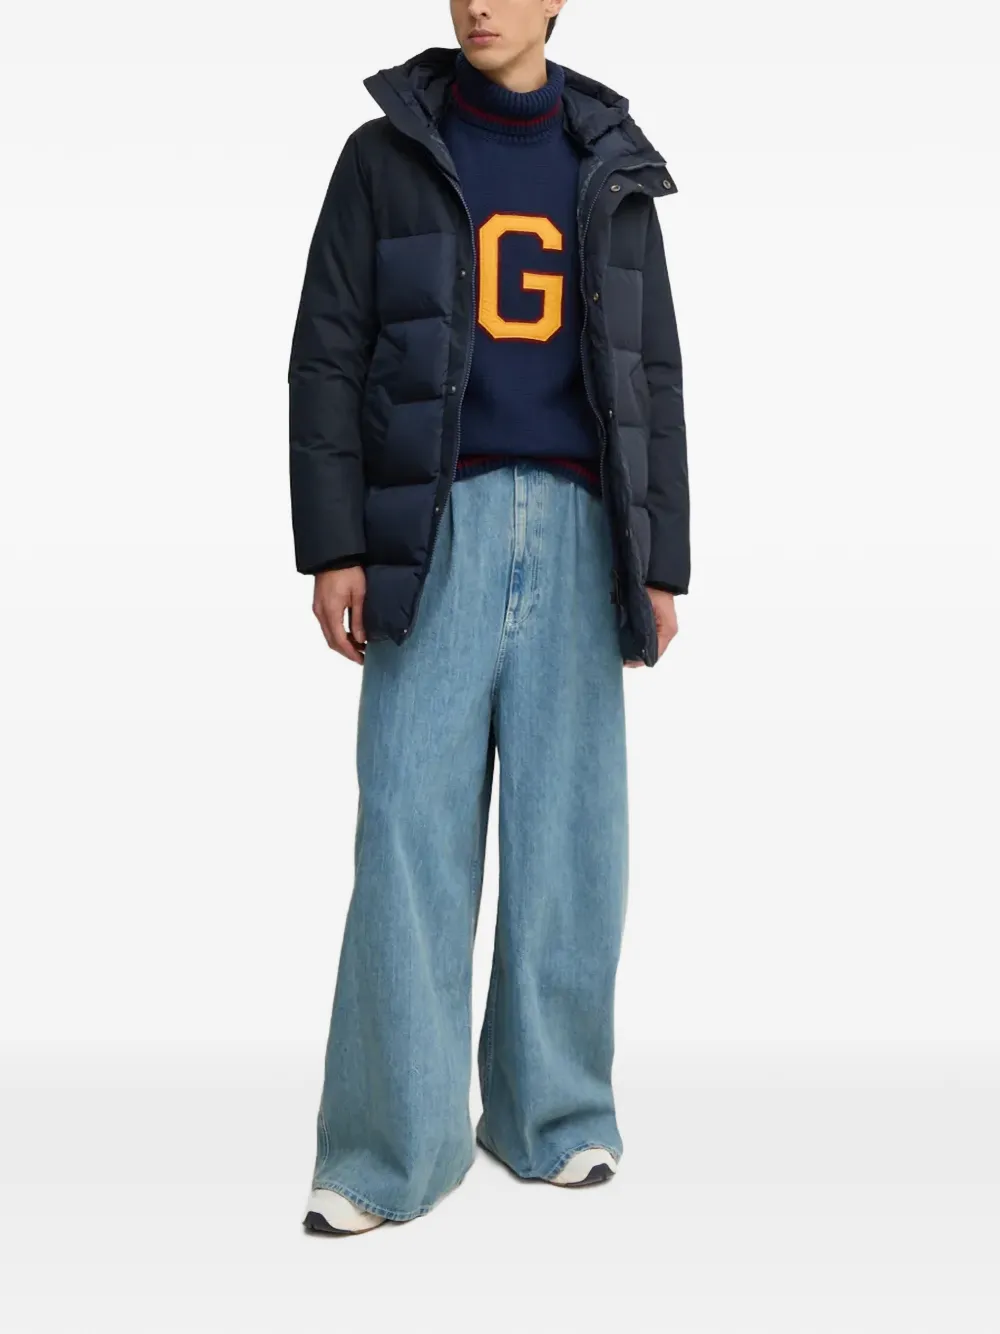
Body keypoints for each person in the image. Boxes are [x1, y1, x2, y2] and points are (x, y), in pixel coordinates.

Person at [289, 0, 689, 1236]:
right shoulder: (385, 155)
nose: (478, 3)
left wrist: (661, 560)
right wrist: (336, 542)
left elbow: (653, 371)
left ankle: (554, 1115)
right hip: (433, 528)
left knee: (573, 841)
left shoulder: (608, 162)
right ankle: (386, 1150)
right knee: (406, 834)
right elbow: (327, 352)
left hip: (580, 531)